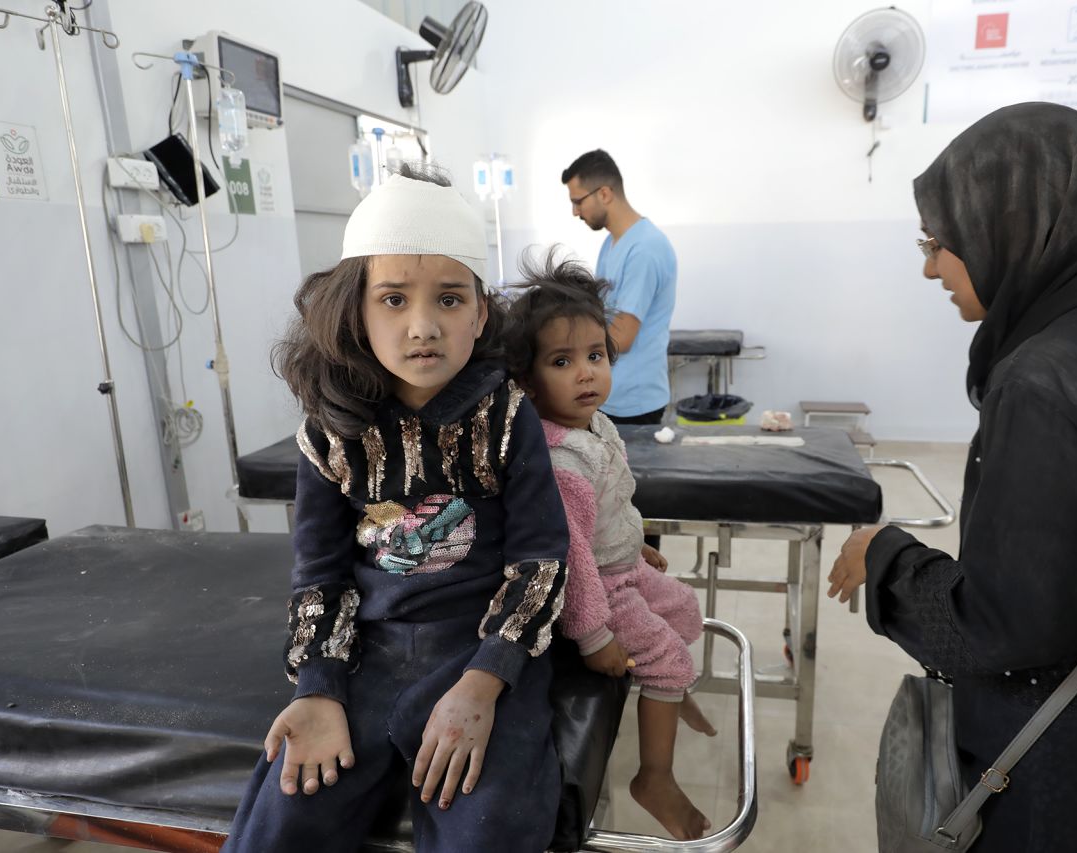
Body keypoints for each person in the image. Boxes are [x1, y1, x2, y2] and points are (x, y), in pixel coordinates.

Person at [826, 103, 1077, 852]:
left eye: (940, 242)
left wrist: (882, 556)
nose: (929, 266)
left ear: (1017, 229)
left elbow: (1005, 625)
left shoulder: (1046, 381)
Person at [223, 165, 571, 853]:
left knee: (488, 831)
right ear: (357, 310)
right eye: (392, 300)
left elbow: (540, 561)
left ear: (479, 312)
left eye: (448, 299)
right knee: (281, 825)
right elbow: (319, 572)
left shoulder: (505, 414)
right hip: (365, 661)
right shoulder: (330, 428)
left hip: (475, 650)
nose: (422, 327)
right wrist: (319, 686)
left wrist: (485, 681)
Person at [505, 254, 715, 841]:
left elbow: (615, 500)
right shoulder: (562, 458)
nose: (586, 374)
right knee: (669, 655)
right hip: (596, 587)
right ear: (525, 381)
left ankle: (667, 694)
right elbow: (570, 556)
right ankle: (655, 776)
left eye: (595, 356)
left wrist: (635, 542)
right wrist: (595, 637)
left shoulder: (595, 426)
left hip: (621, 564)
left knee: (684, 611)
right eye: (562, 362)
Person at [562, 149, 676, 425]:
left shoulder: (645, 249)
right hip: (611, 395)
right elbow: (601, 313)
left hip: (634, 403)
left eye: (578, 201)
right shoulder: (612, 243)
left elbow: (622, 337)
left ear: (604, 193)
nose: (575, 211)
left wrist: (563, 347)